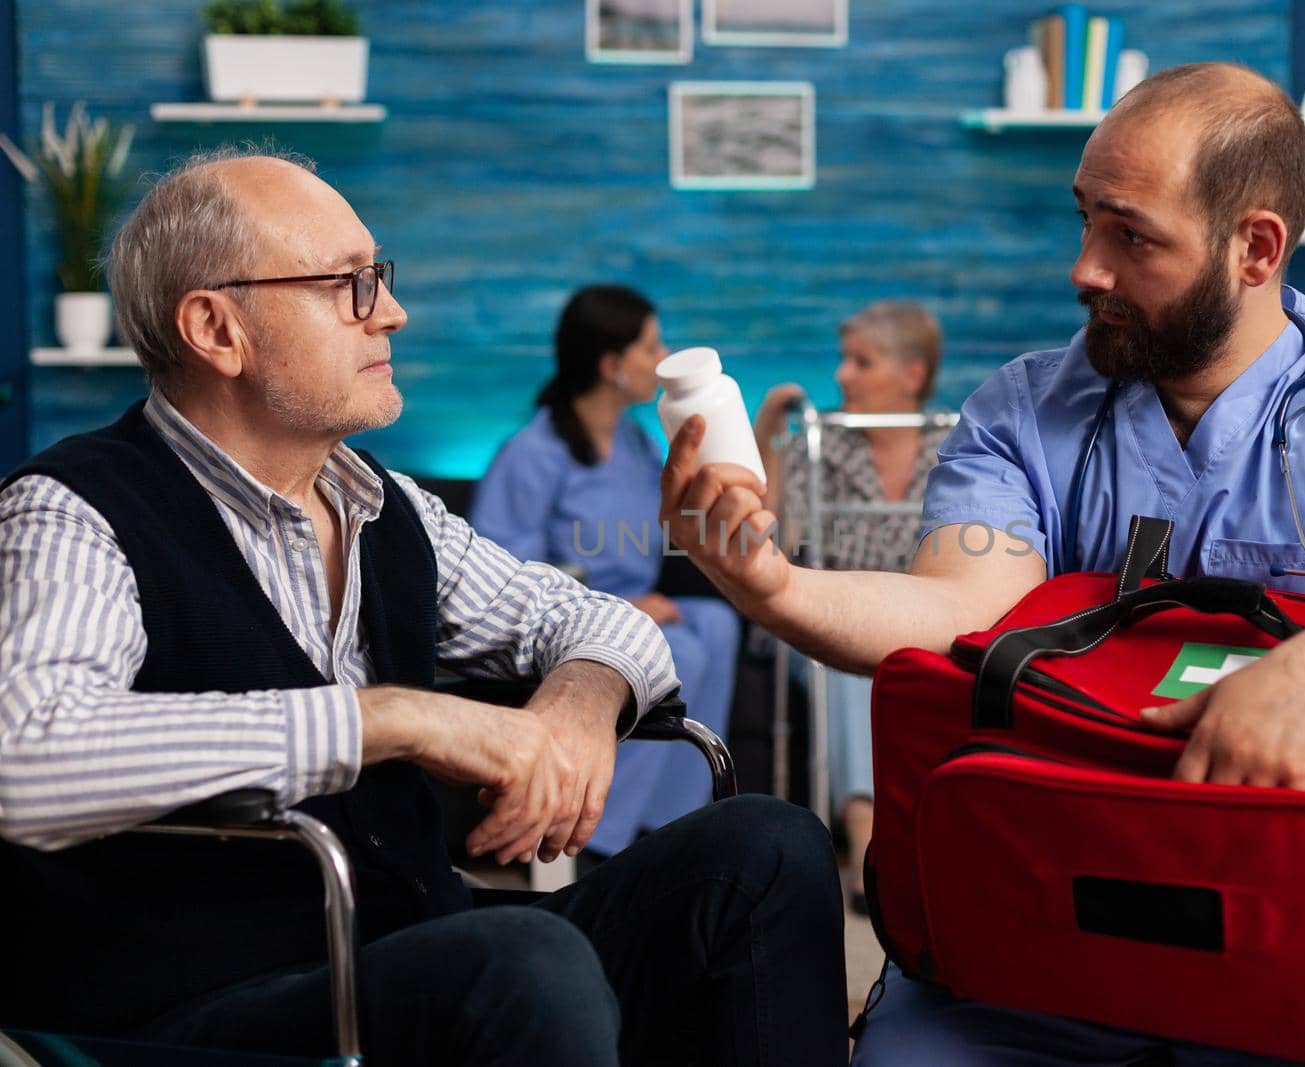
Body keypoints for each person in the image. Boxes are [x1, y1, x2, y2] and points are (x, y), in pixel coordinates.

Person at [658, 62, 1305, 1064]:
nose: (1085, 268)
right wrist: (775, 585)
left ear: (1255, 248)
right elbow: (962, 608)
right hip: (1062, 923)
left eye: (1131, 235)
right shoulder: (1022, 410)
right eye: (1085, 221)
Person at [0, 147, 848, 1067]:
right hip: (199, 1007)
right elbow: (27, 755)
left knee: (767, 847)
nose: (392, 311)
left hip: (402, 956)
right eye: (349, 285)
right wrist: (394, 718)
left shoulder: (385, 505)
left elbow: (600, 620)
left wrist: (575, 710)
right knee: (523, 959)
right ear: (217, 329)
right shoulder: (69, 511)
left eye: (381, 279)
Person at [469, 284, 740, 864]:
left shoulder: (640, 444)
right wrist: (625, 610)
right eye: (650, 345)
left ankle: (680, 827)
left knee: (716, 624)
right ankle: (601, 841)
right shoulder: (532, 454)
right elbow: (499, 574)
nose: (661, 356)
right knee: (679, 653)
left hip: (635, 606)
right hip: (562, 622)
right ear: (613, 365)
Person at [751, 300, 947, 910]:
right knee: (856, 647)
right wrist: (768, 440)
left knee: (895, 642)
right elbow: (772, 540)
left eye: (861, 362)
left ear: (911, 375)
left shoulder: (960, 444)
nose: (841, 375)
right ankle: (868, 843)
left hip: (927, 615)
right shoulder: (823, 444)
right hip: (832, 610)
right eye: (844, 360)